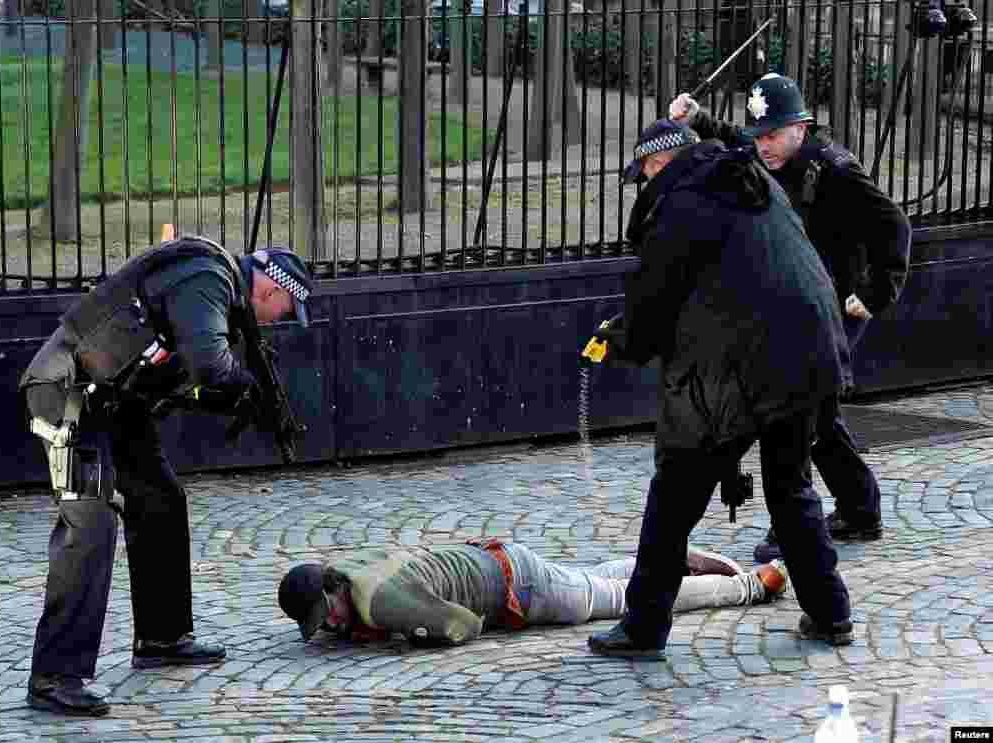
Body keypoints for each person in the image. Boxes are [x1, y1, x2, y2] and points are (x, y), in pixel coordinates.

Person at [585, 120, 855, 658]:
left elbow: (650, 316)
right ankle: (832, 615)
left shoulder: (680, 207)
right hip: (812, 352)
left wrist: (616, 341)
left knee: (673, 498)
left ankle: (642, 629)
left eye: (643, 174)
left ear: (659, 164)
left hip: (740, 369)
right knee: (790, 486)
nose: (643, 185)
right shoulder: (751, 178)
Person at [20, 236, 314, 717]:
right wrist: (243, 386)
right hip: (67, 393)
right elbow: (208, 363)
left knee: (160, 498)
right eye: (285, 309)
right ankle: (54, 677)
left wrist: (233, 397)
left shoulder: (216, 291)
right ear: (269, 288)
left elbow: (187, 379)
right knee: (91, 524)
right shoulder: (208, 278)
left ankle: (162, 636)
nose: (280, 319)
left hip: (113, 402)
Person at [669, 74, 912, 562]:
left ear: (800, 126)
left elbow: (894, 224)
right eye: (759, 136)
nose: (763, 146)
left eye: (773, 135)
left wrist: (876, 292)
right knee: (814, 412)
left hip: (839, 304)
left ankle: (797, 522)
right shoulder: (768, 150)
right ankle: (859, 509)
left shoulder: (835, 168)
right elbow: (738, 138)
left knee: (795, 407)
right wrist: (696, 119)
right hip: (798, 305)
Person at [277, 540, 789, 645]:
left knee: (627, 598)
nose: (333, 626)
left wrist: (393, 634)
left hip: (520, 588)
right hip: (498, 557)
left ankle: (748, 586)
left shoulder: (379, 602)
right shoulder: (349, 570)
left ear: (332, 588)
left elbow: (460, 626)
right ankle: (678, 554)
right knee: (597, 579)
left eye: (330, 615)